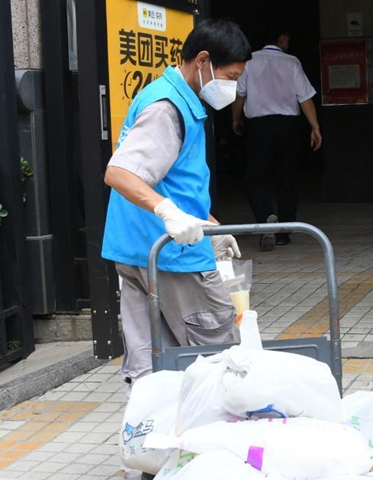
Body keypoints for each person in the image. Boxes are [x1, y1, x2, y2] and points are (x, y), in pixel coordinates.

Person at [102, 19, 252, 388]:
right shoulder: (168, 108)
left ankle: (156, 422)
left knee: (154, 360)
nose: (233, 88)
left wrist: (211, 226)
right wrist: (168, 213)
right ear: (203, 61)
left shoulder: (169, 96)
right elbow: (119, 173)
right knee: (219, 354)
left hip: (138, 249)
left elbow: (173, 181)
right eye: (230, 77)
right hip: (173, 256)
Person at [231, 26, 323, 251]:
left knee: (255, 177)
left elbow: (239, 95)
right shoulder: (292, 62)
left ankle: (266, 218)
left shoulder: (249, 62)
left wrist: (235, 119)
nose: (288, 41)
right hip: (288, 127)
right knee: (288, 177)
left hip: (259, 127)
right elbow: (305, 98)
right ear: (281, 38)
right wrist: (315, 127)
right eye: (287, 37)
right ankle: (284, 233)